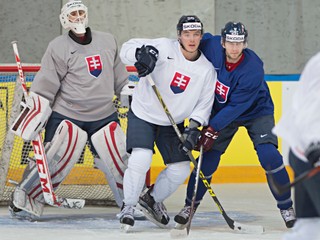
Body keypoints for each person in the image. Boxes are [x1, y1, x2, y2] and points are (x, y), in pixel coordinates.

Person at [9, 0, 135, 219]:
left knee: (118, 156)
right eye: (73, 14)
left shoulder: (108, 40)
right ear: (64, 19)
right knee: (58, 156)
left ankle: (131, 201)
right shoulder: (57, 46)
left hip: (103, 114)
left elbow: (120, 79)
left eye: (80, 12)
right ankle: (26, 197)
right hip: (67, 113)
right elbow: (47, 83)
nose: (77, 17)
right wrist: (36, 109)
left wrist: (129, 94)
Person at [174, 21, 296, 229]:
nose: (234, 48)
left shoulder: (253, 68)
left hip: (256, 112)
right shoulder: (210, 45)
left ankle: (286, 206)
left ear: (245, 44)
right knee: (207, 158)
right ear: (222, 42)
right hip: (223, 111)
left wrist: (212, 129)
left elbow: (238, 106)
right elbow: (188, 42)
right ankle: (189, 206)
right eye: (230, 42)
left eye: (239, 43)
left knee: (269, 156)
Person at [117, 15, 217, 230]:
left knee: (180, 169)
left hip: (174, 123)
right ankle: (128, 205)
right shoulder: (163, 47)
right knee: (141, 158)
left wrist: (193, 127)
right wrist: (140, 55)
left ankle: (151, 199)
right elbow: (125, 49)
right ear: (179, 35)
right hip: (143, 113)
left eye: (196, 35)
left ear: (201, 37)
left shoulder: (206, 70)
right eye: (187, 34)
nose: (191, 39)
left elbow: (204, 103)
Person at [273, 52, 320, 240]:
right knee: (310, 225)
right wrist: (314, 146)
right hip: (308, 155)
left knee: (311, 227)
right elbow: (311, 111)